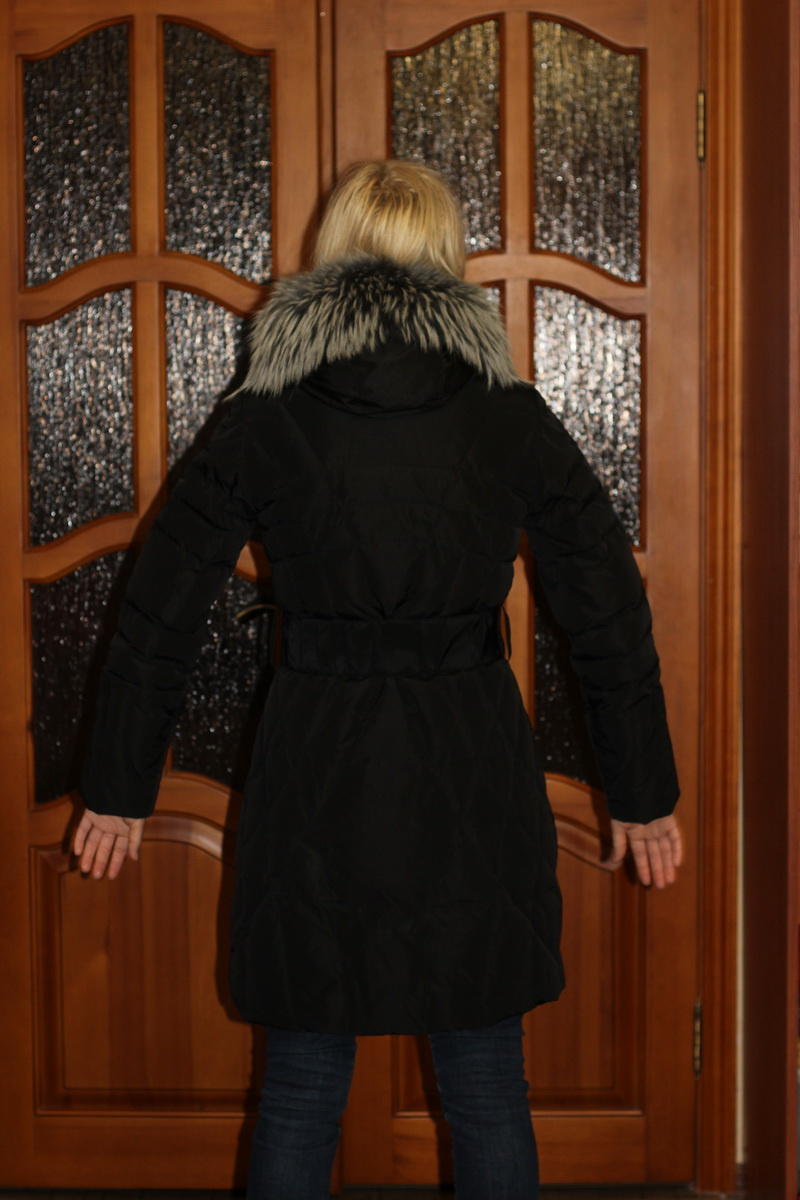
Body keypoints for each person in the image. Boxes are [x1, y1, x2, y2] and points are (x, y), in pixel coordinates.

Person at [73, 159, 683, 1199]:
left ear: (332, 254)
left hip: (317, 763)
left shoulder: (267, 412)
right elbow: (605, 610)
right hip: (469, 767)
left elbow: (160, 604)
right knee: (485, 1085)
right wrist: (642, 790)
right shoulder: (504, 412)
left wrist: (119, 786)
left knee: (301, 1086)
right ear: (446, 258)